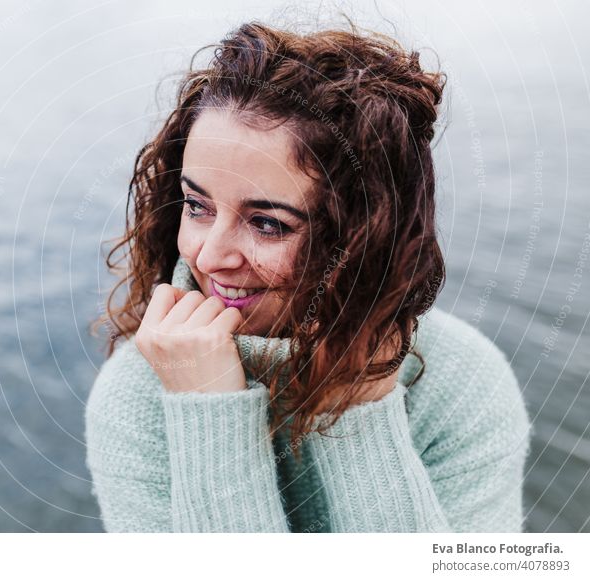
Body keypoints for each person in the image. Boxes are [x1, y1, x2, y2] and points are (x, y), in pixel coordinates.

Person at [84, 20, 531, 532]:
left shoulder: (461, 383)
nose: (208, 257)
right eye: (196, 205)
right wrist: (208, 407)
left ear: (364, 235)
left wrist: (357, 396)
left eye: (268, 223)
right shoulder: (139, 395)